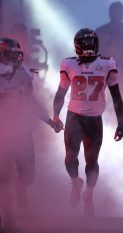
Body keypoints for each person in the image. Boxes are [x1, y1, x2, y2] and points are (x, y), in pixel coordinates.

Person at [52, 28, 123, 217]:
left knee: (92, 162)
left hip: (94, 119)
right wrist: (55, 115)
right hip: (74, 116)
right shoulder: (69, 64)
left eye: (92, 43)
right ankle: (76, 181)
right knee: (70, 158)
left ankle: (89, 195)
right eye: (86, 43)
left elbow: (116, 96)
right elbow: (61, 93)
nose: (89, 47)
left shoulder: (107, 64)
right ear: (77, 46)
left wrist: (121, 123)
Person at [0, 37, 58, 230]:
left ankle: (21, 186)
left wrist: (49, 121)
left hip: (22, 131)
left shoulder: (22, 73)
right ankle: (8, 216)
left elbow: (31, 102)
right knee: (3, 177)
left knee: (28, 176)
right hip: (2, 134)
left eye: (16, 54)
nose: (15, 58)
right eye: (10, 54)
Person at [95, 1, 123, 69]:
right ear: (110, 13)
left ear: (122, 14)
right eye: (114, 12)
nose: (116, 15)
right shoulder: (100, 31)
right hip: (104, 69)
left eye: (119, 13)